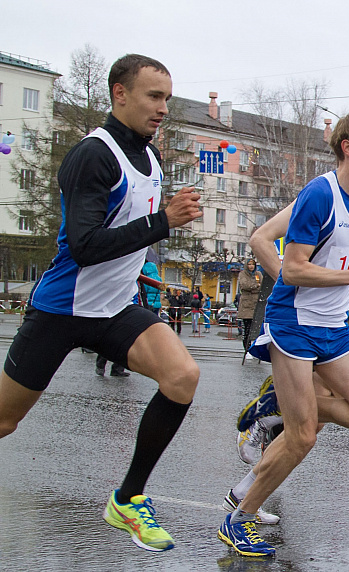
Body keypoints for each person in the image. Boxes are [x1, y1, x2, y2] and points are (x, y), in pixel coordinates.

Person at [0, 54, 202, 552]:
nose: (162, 109)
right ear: (120, 93)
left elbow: (128, 241)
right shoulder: (95, 154)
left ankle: (128, 499)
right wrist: (164, 223)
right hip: (63, 310)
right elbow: (86, 244)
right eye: (153, 97)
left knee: (182, 377)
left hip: (114, 309)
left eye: (167, 100)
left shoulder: (150, 158)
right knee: (4, 421)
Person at [217, 112, 349, 558]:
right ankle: (239, 518)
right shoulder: (318, 194)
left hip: (333, 327)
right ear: (348, 147)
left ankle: (276, 406)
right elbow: (294, 267)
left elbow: (342, 260)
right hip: (295, 325)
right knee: (303, 435)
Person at [238, 259, 261, 349]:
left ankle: (255, 348)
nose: (251, 266)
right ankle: (247, 348)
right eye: (249, 264)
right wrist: (256, 285)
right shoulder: (243, 274)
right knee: (247, 329)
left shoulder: (258, 274)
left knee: (256, 330)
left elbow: (262, 286)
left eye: (253, 264)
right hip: (246, 305)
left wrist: (254, 287)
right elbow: (244, 285)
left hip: (256, 304)